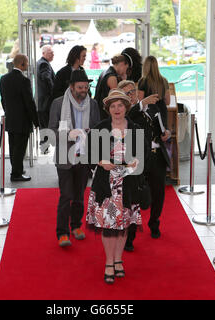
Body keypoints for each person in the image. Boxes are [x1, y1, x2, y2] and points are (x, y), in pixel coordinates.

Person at [85, 88, 149, 284]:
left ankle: (119, 259)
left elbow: (144, 153)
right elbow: (89, 153)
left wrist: (136, 162)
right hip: (106, 184)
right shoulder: (99, 128)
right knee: (108, 226)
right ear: (108, 109)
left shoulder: (136, 128)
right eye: (113, 106)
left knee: (123, 225)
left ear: (126, 107)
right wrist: (101, 161)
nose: (117, 108)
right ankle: (109, 262)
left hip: (128, 184)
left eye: (120, 105)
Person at [122, 56, 172, 251]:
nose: (135, 94)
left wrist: (166, 133)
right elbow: (127, 118)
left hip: (157, 154)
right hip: (138, 158)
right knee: (135, 196)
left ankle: (154, 223)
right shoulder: (130, 110)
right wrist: (141, 104)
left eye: (135, 92)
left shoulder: (158, 106)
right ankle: (131, 235)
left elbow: (164, 126)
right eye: (131, 92)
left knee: (159, 191)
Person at [48, 69, 100, 247]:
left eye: (86, 87)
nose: (84, 90)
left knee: (79, 195)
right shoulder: (58, 104)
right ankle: (62, 233)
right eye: (80, 87)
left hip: (84, 157)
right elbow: (51, 133)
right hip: (65, 157)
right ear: (71, 87)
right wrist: (70, 134)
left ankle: (76, 225)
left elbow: (98, 129)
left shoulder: (93, 105)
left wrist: (90, 134)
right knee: (66, 195)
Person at [0, 54, 39, 182]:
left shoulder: (4, 79)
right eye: (27, 63)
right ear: (22, 63)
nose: (28, 65)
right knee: (20, 148)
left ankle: (17, 169)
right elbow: (29, 103)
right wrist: (36, 121)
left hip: (11, 119)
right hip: (22, 121)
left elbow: (3, 100)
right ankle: (16, 174)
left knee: (13, 147)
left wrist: (9, 112)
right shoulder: (24, 81)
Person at [94, 54, 129, 120]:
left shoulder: (105, 72)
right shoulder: (112, 77)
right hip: (104, 114)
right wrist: (124, 81)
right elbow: (117, 97)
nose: (125, 72)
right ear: (122, 64)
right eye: (126, 68)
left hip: (99, 110)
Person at [36, 45, 55, 154]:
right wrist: (53, 91)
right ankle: (44, 147)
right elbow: (46, 78)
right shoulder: (44, 64)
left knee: (44, 126)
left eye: (53, 52)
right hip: (45, 102)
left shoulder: (41, 63)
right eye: (50, 52)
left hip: (42, 102)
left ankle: (44, 146)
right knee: (46, 125)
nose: (53, 55)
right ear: (43, 53)